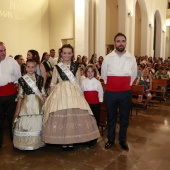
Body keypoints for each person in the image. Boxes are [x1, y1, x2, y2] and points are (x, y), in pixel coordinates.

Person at [43, 44, 100, 150]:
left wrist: (81, 96)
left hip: (73, 92)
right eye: (65, 53)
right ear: (61, 54)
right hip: (60, 93)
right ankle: (63, 140)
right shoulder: (57, 67)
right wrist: (50, 96)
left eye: (69, 53)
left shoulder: (76, 67)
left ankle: (72, 140)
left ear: (72, 54)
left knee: (73, 114)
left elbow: (78, 82)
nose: (67, 55)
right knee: (62, 114)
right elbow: (53, 83)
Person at [101, 33, 137, 151]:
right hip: (111, 93)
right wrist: (113, 84)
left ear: (125, 43)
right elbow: (104, 74)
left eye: (123, 41)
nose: (120, 43)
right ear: (114, 43)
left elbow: (134, 74)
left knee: (124, 118)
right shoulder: (108, 58)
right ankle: (110, 139)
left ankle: (122, 140)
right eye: (118, 41)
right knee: (111, 117)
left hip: (125, 93)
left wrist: (126, 85)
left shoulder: (131, 57)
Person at [13, 59, 47, 150]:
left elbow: (43, 92)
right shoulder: (22, 79)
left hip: (37, 104)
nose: (31, 69)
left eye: (33, 67)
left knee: (37, 123)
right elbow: (20, 95)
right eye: (28, 67)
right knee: (25, 124)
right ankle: (25, 144)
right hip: (26, 104)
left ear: (36, 68)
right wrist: (18, 108)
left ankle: (37, 143)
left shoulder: (40, 79)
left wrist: (46, 104)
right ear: (25, 68)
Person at [0, 42, 21, 148]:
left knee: (12, 119)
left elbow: (18, 77)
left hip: (10, 95)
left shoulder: (12, 62)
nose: (3, 53)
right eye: (1, 51)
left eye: (4, 50)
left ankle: (15, 141)